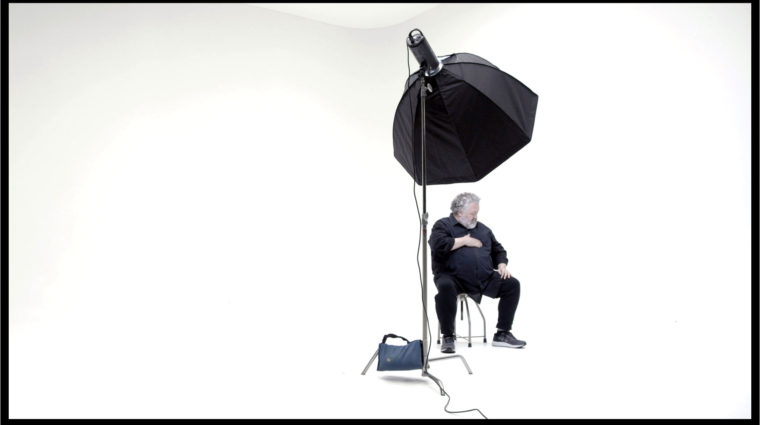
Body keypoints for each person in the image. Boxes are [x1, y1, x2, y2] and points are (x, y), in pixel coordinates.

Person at [428, 192, 526, 353]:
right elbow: (438, 245)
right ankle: (448, 336)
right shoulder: (443, 225)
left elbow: (497, 250)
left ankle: (502, 333)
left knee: (512, 284)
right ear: (459, 212)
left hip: (483, 277)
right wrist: (465, 241)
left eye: (477, 213)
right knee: (445, 287)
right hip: (452, 277)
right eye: (473, 213)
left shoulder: (483, 230)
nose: (476, 217)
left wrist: (501, 264)